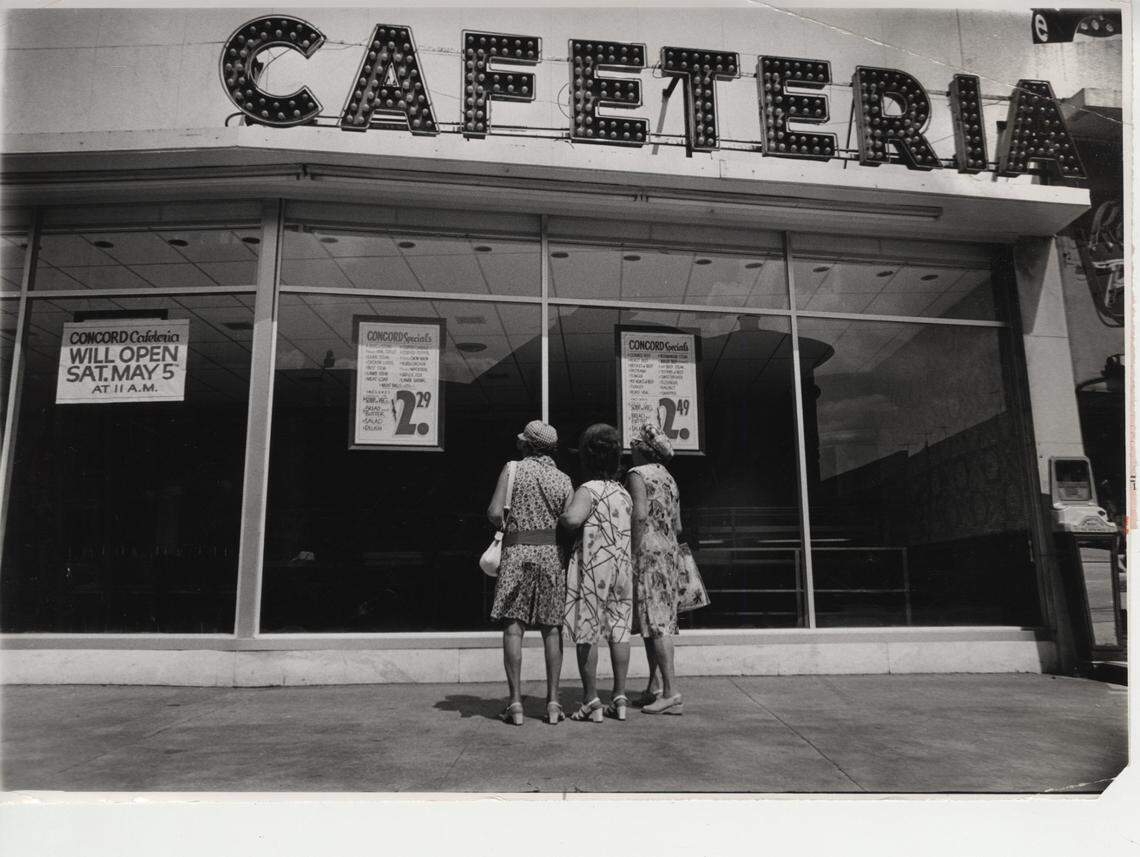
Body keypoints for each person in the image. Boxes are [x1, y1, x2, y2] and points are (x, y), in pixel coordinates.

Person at [487, 420, 574, 726]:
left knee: (514, 627)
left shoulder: (512, 469)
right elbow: (569, 519)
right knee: (552, 629)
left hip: (516, 551)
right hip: (550, 553)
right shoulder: (563, 479)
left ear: (529, 445)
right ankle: (552, 702)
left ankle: (515, 703)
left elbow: (495, 511)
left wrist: (509, 527)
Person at [559, 423, 634, 723]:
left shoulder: (588, 490)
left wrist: (563, 514)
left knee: (586, 629)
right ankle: (619, 695)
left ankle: (591, 699)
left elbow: (572, 520)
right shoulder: (624, 493)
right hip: (622, 565)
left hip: (594, 565)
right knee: (620, 629)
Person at [627, 423, 685, 715]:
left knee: (657, 624)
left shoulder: (637, 475)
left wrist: (632, 551)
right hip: (669, 553)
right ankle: (655, 686)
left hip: (647, 554)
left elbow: (639, 516)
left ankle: (672, 691)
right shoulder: (669, 478)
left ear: (640, 449)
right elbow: (678, 524)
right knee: (655, 622)